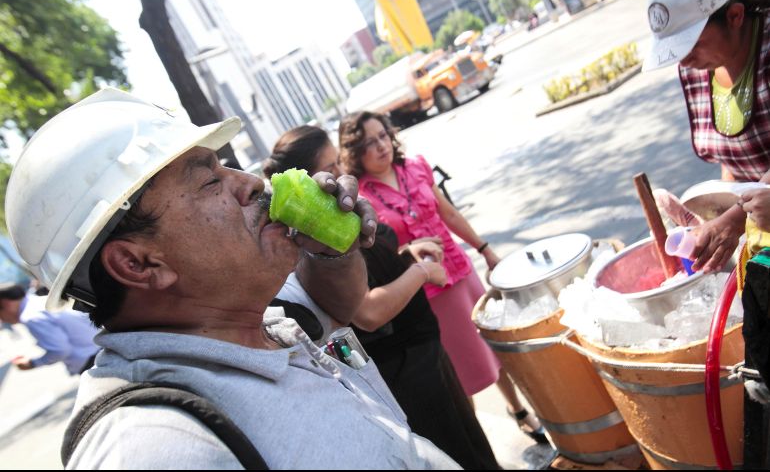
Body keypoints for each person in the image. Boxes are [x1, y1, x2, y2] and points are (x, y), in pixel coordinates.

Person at [4, 88, 459, 469]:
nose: (251, 183)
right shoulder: (155, 447)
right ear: (139, 264)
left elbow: (341, 306)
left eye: (225, 166)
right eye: (209, 182)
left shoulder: (252, 311)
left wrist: (334, 250)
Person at [264, 125, 509, 469]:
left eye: (338, 164)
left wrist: (406, 253)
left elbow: (369, 269)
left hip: (424, 350)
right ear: (305, 179)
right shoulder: (313, 237)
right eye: (330, 168)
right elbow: (366, 311)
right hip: (404, 369)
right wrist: (421, 273)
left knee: (474, 448)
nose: (341, 175)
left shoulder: (338, 212)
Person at [337, 111, 546, 442]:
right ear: (354, 152)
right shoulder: (361, 197)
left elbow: (447, 212)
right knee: (460, 370)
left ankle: (518, 408)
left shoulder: (415, 166)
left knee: (495, 347)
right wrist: (409, 248)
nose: (380, 146)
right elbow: (375, 253)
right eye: (368, 143)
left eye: (382, 136)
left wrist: (485, 248)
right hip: (427, 291)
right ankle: (475, 437)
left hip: (460, 273)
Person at [643, 0, 770, 274]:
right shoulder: (698, 69)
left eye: (691, 44)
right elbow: (733, 154)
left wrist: (736, 219)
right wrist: (715, 211)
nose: (683, 60)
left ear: (735, 16)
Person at [0, 283, 99, 374]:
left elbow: (60, 350)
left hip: (91, 361)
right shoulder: (39, 300)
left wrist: (32, 363)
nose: (2, 320)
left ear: (5, 303)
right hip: (99, 347)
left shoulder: (30, 317)